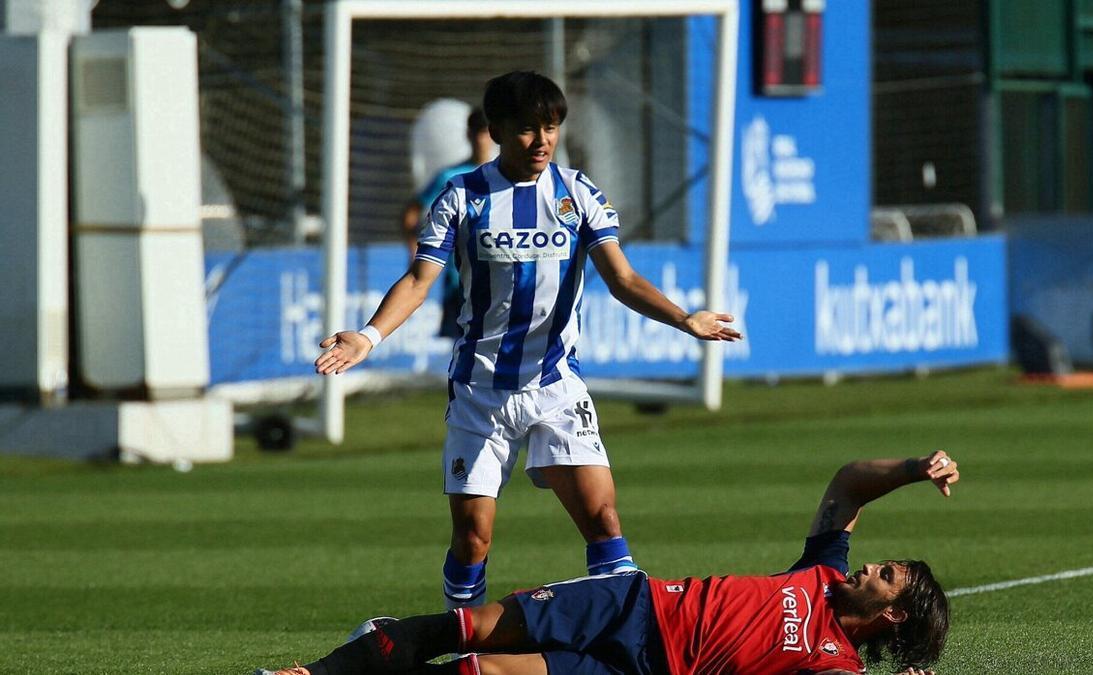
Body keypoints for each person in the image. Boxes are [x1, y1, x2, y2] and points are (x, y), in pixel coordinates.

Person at [314, 71, 743, 611]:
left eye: (551, 127)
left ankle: (625, 641)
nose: (542, 140)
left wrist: (685, 320)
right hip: (480, 393)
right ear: (494, 130)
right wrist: (369, 336)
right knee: (473, 539)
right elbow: (420, 280)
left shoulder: (577, 193)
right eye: (526, 129)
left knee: (603, 519)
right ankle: (466, 641)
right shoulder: (462, 197)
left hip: (556, 387)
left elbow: (624, 280)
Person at [253, 450, 959, 675]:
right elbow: (844, 484)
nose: (871, 567)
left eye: (886, 575)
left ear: (891, 613)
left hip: (642, 670)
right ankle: (312, 673)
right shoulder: (825, 573)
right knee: (463, 630)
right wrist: (910, 467)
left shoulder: (834, 663)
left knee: (480, 674)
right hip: (633, 604)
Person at [401, 107, 494, 338]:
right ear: (469, 135)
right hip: (460, 280)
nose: (482, 139)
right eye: (477, 132)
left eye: (487, 132)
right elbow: (411, 213)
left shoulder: (509, 176)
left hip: (500, 278)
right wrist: (414, 252)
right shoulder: (451, 177)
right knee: (464, 346)